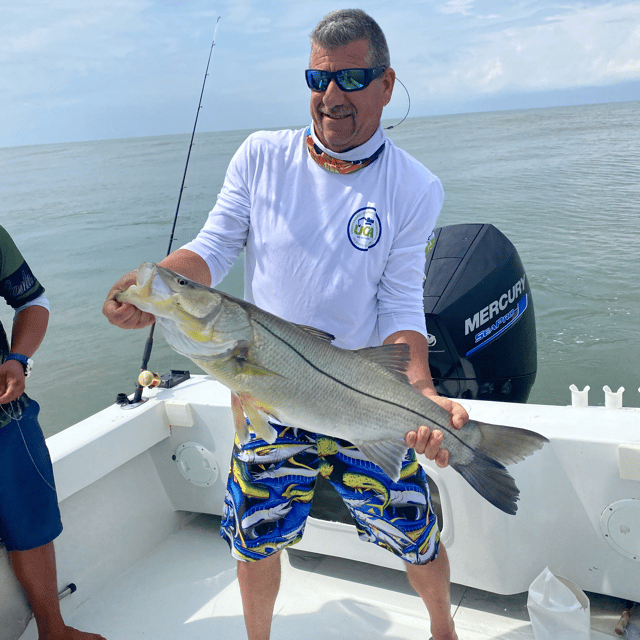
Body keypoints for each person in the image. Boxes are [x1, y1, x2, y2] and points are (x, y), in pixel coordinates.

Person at [103, 9, 467, 640]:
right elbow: (212, 250)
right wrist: (153, 285)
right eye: (318, 78)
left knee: (414, 530)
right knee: (254, 538)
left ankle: (443, 630)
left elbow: (402, 304)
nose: (332, 96)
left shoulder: (414, 186)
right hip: (268, 401)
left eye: (353, 78)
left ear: (387, 83)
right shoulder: (261, 156)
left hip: (360, 393)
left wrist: (424, 392)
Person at [0, 225, 106, 640]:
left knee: (31, 526)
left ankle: (53, 629)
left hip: (7, 419)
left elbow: (32, 300)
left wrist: (18, 357)